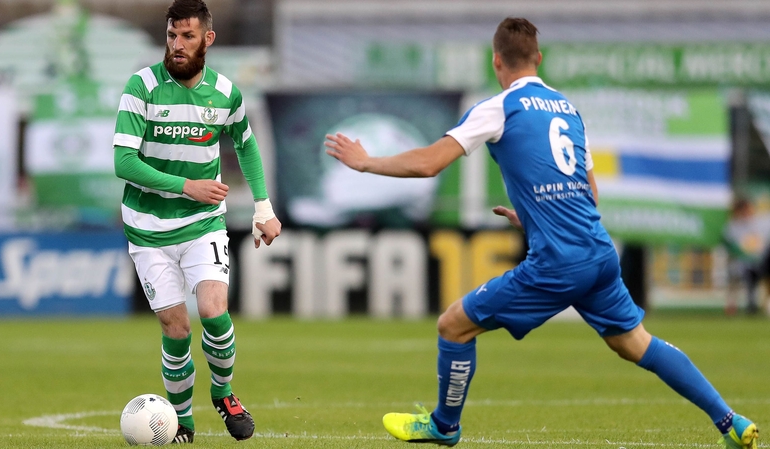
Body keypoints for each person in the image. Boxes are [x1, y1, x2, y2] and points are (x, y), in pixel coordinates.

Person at [324, 17, 758, 449]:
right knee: (635, 343)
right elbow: (590, 193)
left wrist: (367, 162)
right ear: (539, 58)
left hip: (558, 262)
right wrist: (535, 216)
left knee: (453, 325)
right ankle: (731, 421)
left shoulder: (499, 107)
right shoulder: (568, 109)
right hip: (598, 253)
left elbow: (429, 164)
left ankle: (444, 426)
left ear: (496, 61)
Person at [112, 0, 281, 443]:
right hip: (148, 229)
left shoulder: (225, 93)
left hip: (202, 223)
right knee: (176, 327)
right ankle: (182, 422)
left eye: (187, 36)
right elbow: (124, 162)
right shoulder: (142, 86)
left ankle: (223, 393)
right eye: (172, 35)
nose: (177, 44)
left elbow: (246, 144)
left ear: (208, 39)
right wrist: (187, 185)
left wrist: (263, 208)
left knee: (213, 312)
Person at [723, 196, 770, 315]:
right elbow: (730, 246)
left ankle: (765, 303)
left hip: (762, 262)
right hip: (743, 263)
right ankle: (735, 304)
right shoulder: (732, 226)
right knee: (736, 271)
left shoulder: (764, 222)